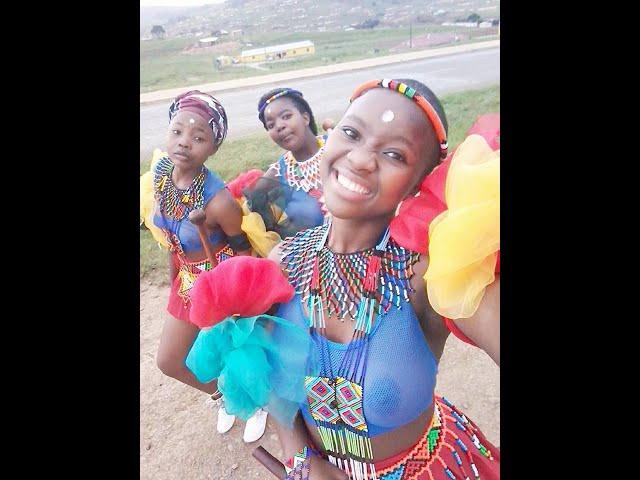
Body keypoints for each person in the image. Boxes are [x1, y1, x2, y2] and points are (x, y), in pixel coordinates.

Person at [267, 79, 500, 479]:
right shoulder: (284, 260)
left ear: (420, 181)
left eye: (394, 154)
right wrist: (302, 460)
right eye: (352, 133)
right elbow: (266, 370)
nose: (360, 159)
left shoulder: (427, 272)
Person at [151, 90, 267, 443]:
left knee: (237, 353)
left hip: (223, 289)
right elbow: (169, 236)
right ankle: (225, 396)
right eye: (177, 132)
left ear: (213, 147)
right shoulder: (161, 177)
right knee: (171, 361)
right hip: (187, 284)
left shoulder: (218, 201)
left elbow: (245, 253)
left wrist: (237, 303)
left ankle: (257, 402)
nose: (184, 143)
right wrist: (174, 279)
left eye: (199, 136)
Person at [247, 88, 328, 239]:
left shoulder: (338, 146)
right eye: (271, 125)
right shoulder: (277, 174)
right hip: (316, 258)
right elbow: (256, 207)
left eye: (286, 116)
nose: (279, 126)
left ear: (305, 117)